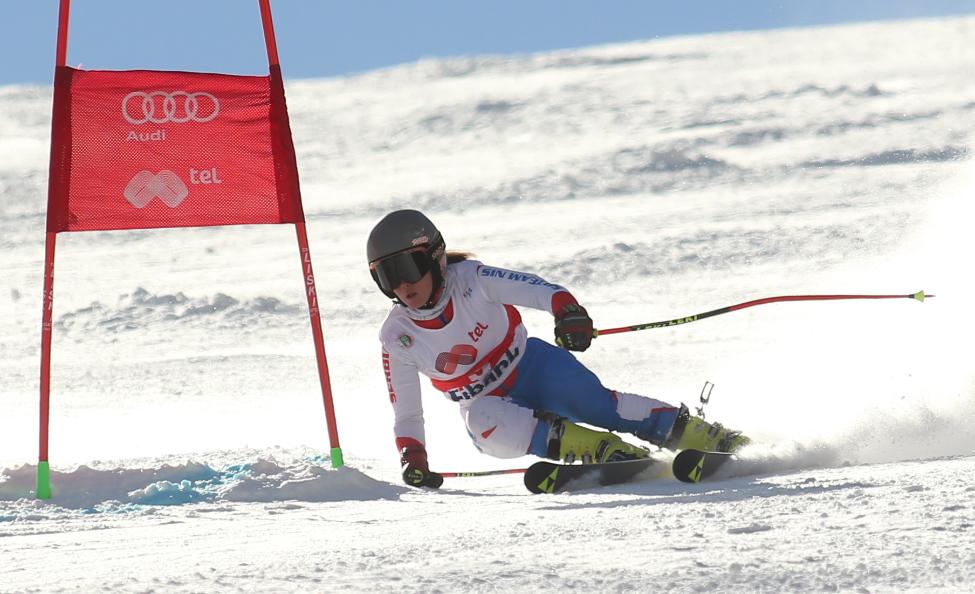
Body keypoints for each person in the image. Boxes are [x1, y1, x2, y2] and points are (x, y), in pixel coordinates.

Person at [368, 209, 748, 488]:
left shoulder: (471, 279)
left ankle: (703, 435)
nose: (402, 285)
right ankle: (606, 452)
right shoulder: (397, 336)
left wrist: (567, 312)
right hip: (486, 401)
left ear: (435, 257)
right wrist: (413, 458)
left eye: (409, 268)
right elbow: (407, 412)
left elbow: (536, 289)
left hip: (534, 366)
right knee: (485, 424)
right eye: (387, 277)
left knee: (596, 405)